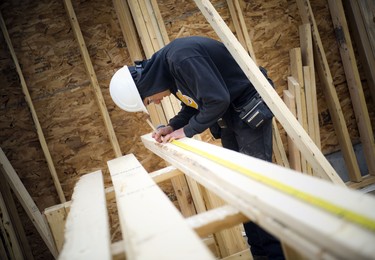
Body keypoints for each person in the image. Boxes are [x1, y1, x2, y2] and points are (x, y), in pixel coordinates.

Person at [110, 36, 284, 259]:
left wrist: (185, 131)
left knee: (255, 186)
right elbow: (194, 106)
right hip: (231, 112)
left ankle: (273, 256)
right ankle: (260, 254)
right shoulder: (170, 72)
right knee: (238, 187)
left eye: (148, 100)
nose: (155, 103)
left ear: (145, 87)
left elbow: (217, 100)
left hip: (248, 103)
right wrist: (172, 126)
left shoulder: (181, 59)